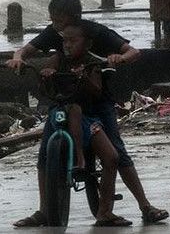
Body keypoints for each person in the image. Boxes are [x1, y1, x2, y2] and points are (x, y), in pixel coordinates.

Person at [8, 0, 169, 227]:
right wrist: (18, 58)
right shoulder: (56, 34)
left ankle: (145, 206)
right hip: (68, 100)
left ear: (74, 18)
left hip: (97, 102)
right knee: (44, 153)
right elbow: (25, 50)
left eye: (60, 21)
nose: (58, 30)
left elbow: (132, 52)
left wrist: (118, 59)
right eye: (53, 21)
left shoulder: (96, 33)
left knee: (116, 151)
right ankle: (44, 210)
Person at [39, 22, 126, 225]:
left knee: (111, 157)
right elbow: (45, 76)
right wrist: (46, 75)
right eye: (64, 41)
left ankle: (105, 211)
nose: (67, 45)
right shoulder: (57, 58)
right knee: (44, 154)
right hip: (60, 114)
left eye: (73, 41)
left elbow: (96, 89)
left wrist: (84, 77)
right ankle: (78, 160)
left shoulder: (91, 63)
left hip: (87, 120)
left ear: (86, 44)